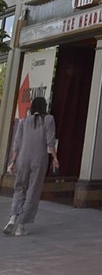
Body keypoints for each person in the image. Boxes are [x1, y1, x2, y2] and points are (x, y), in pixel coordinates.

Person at [5, 95, 58, 236]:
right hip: (38, 160)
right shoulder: (48, 119)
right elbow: (50, 141)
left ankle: (12, 219)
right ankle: (21, 226)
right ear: (44, 107)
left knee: (19, 188)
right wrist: (55, 157)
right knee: (33, 190)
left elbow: (16, 143)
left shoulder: (23, 121)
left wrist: (12, 161)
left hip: (22, 158)